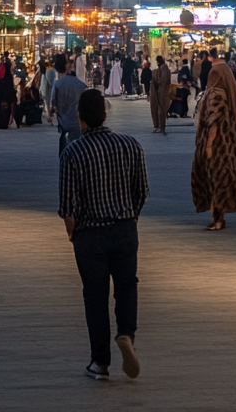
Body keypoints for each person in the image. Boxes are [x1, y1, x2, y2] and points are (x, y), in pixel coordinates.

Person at [58, 88, 147, 381]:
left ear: (80, 118)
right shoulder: (130, 145)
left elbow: (68, 207)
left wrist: (73, 236)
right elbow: (141, 192)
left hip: (90, 233)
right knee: (127, 285)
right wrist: (129, 216)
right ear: (106, 115)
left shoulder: (73, 152)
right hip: (124, 227)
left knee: (95, 297)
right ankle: (127, 335)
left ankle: (101, 364)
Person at [191, 57, 236, 230]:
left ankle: (218, 218)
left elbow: (214, 122)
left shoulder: (216, 93)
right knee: (222, 180)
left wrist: (208, 145)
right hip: (228, 145)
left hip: (218, 146)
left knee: (215, 180)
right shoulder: (227, 92)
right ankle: (218, 216)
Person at [51, 64, 87, 153]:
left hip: (63, 119)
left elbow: (53, 102)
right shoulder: (82, 85)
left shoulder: (58, 83)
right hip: (77, 120)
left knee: (63, 141)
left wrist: (52, 112)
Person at [148, 55, 172, 133]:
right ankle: (157, 125)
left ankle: (161, 126)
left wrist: (158, 85)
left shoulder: (165, 69)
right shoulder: (159, 69)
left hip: (162, 93)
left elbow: (164, 81)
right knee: (155, 109)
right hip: (156, 93)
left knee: (161, 110)